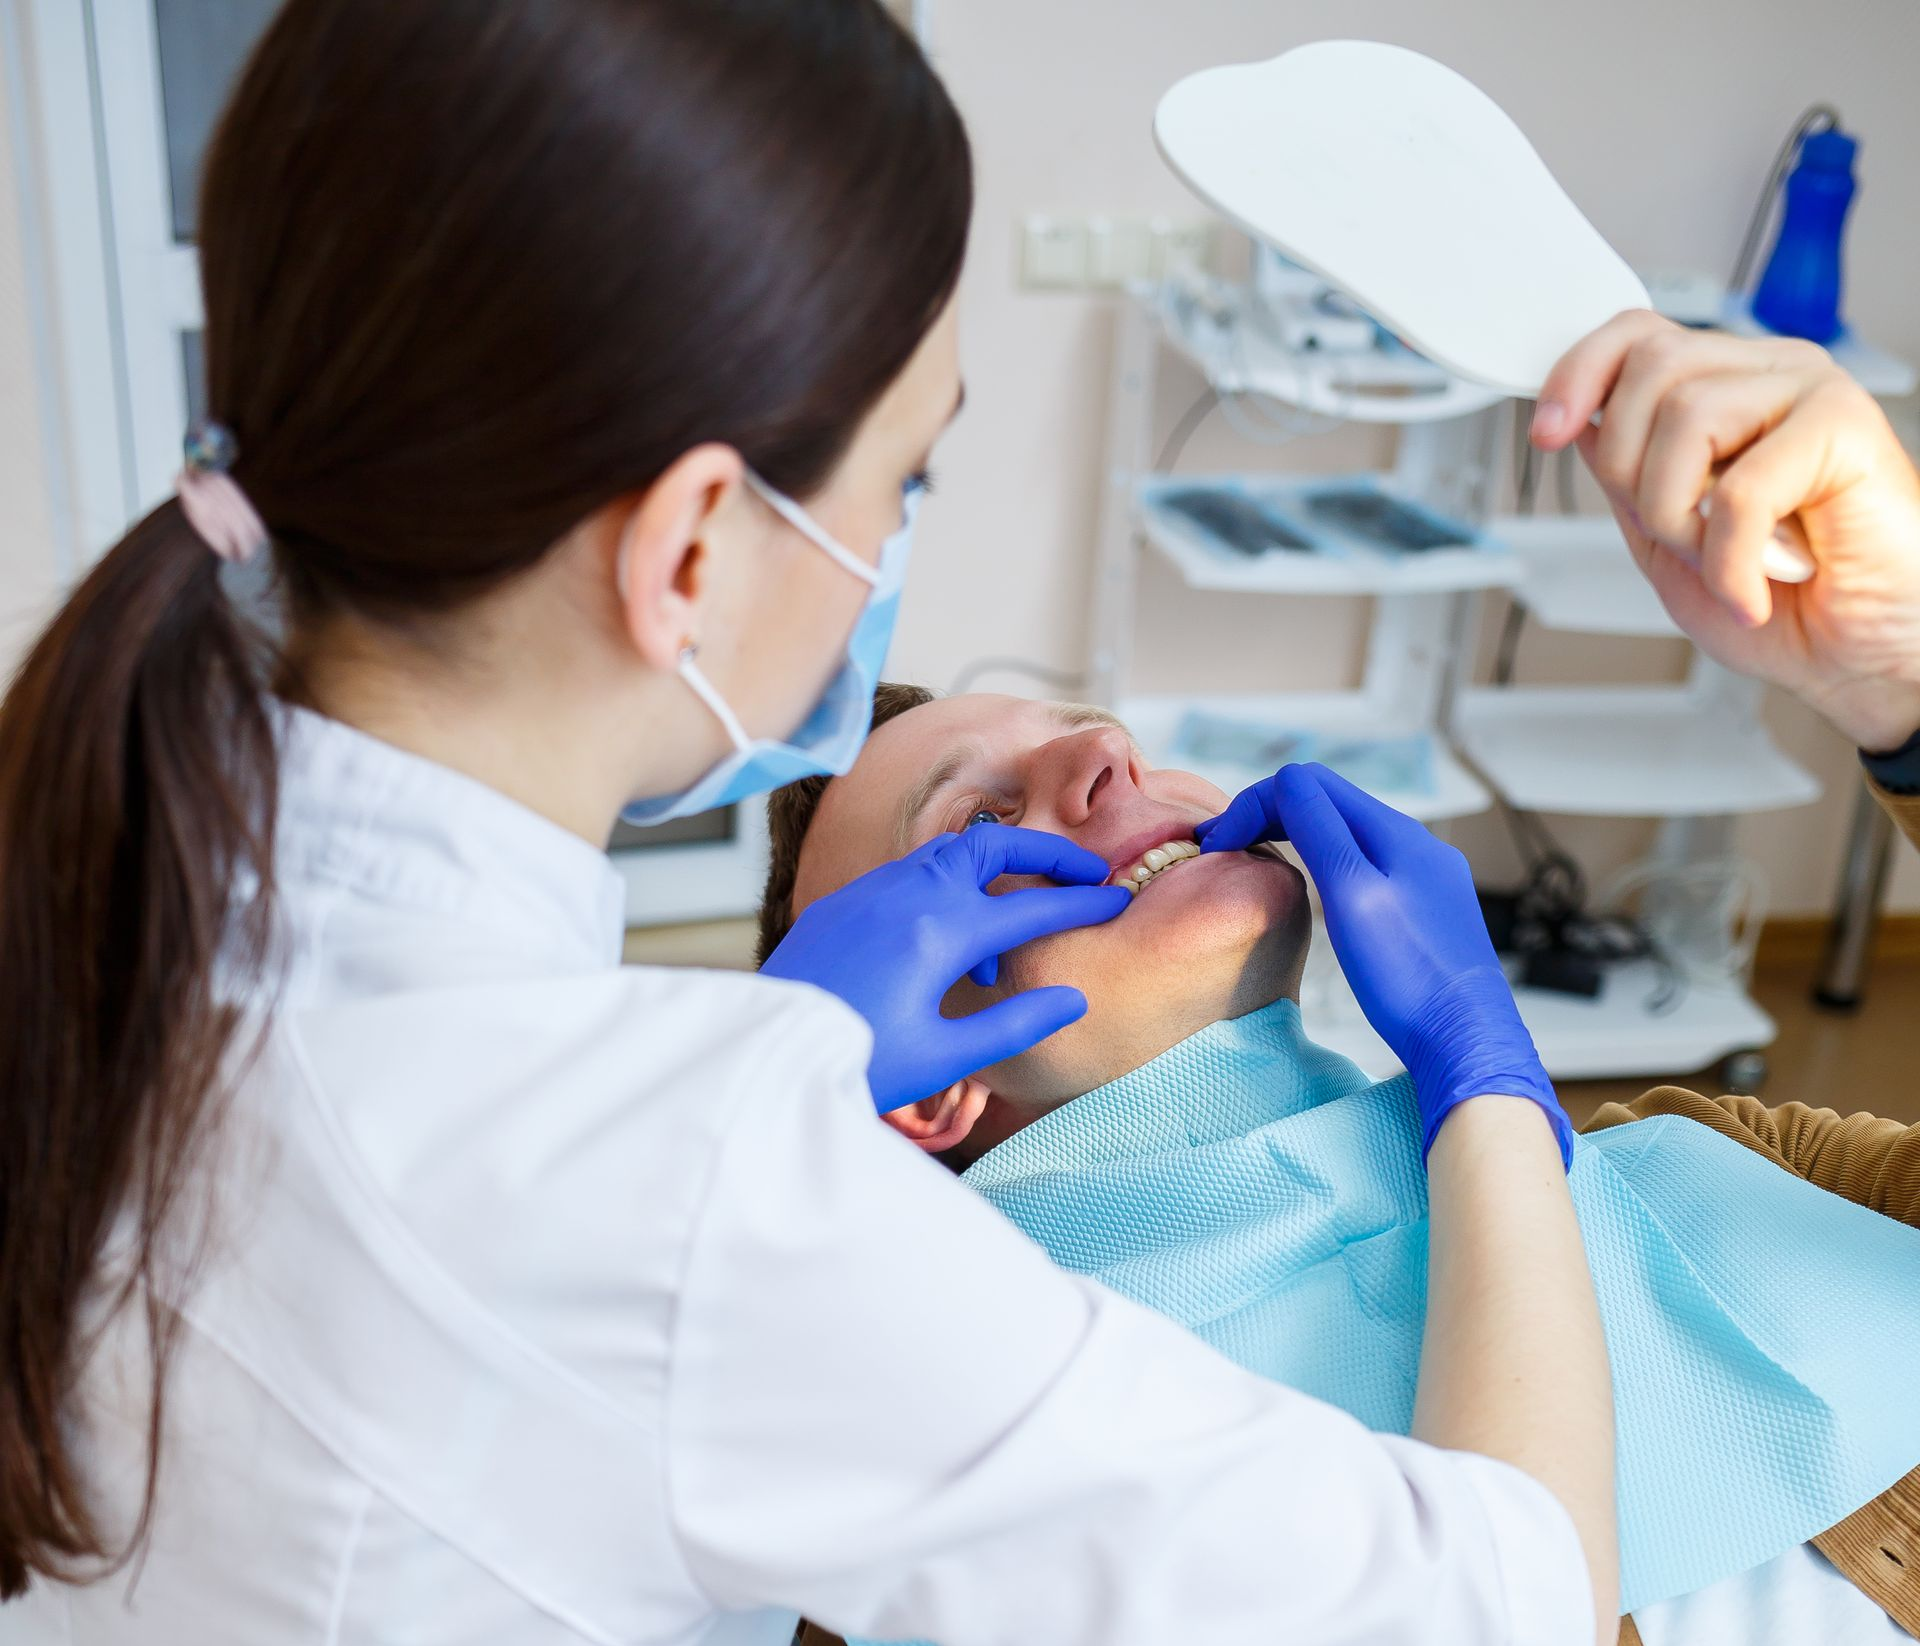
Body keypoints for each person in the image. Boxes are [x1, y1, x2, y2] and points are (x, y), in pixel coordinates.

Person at [0, 5, 1616, 1644]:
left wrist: (761, 1071)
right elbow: (1514, 1603)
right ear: (694, 546)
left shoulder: (127, 886)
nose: (1105, 756)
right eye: (904, 481)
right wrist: (1489, 1076)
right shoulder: (702, 1195)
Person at [756, 683, 1920, 1644]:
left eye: (1088, 721)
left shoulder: (1711, 1160)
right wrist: (1488, 1092)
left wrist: (1906, 701)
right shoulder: (975, 1526)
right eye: (972, 828)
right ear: (922, 1084)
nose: (1105, 749)